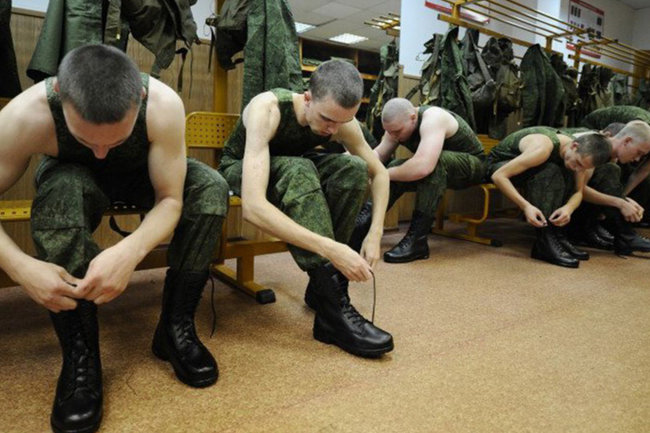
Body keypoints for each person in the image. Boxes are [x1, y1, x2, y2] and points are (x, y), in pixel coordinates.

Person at [0, 44, 229, 433]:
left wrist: (130, 251)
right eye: (88, 140)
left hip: (144, 174)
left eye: (115, 140)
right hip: (71, 177)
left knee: (210, 186)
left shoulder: (163, 105)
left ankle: (175, 328)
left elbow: (171, 199)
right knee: (63, 192)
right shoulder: (24, 115)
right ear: (61, 97)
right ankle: (81, 356)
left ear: (139, 97)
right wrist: (20, 267)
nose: (102, 153)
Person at [218, 59, 394, 358]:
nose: (333, 129)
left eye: (341, 122)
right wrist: (331, 249)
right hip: (241, 170)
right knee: (299, 171)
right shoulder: (268, 109)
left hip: (294, 171)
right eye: (327, 119)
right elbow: (254, 208)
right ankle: (333, 307)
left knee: (352, 168)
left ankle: (323, 290)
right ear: (308, 97)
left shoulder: (340, 122)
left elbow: (380, 173)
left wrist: (375, 233)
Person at [357, 98, 486, 263]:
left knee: (434, 165)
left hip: (474, 167)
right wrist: (358, 166)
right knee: (395, 166)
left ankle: (417, 240)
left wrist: (382, 175)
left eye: (397, 131)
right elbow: (380, 154)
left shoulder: (433, 118)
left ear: (413, 118)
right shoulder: (396, 126)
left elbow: (423, 166)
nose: (393, 136)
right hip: (439, 170)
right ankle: (363, 224)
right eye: (389, 132)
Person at [487, 127, 611, 268]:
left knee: (566, 174)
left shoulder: (579, 157)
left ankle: (557, 235)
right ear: (574, 146)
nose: (578, 169)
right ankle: (544, 241)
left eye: (583, 168)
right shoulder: (542, 148)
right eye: (578, 163)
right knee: (550, 171)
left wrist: (568, 208)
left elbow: (578, 192)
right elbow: (499, 176)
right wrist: (526, 206)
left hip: (527, 170)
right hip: (498, 166)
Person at [573, 121, 650, 255]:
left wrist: (623, 199)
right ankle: (626, 236)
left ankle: (623, 236)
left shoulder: (609, 153)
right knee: (610, 170)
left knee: (611, 171)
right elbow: (579, 190)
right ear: (627, 141)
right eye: (638, 152)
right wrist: (620, 202)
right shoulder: (594, 147)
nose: (637, 159)